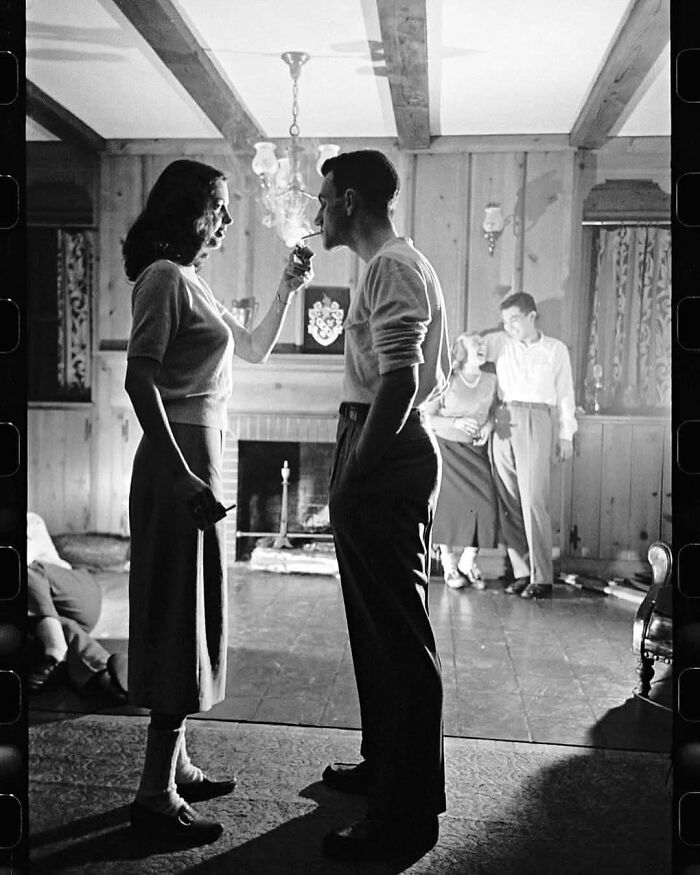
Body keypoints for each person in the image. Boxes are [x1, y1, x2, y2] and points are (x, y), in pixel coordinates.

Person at [122, 159, 313, 844]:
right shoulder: (164, 279)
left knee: (194, 609)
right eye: (219, 206)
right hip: (177, 458)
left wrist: (287, 286)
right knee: (179, 614)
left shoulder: (193, 281)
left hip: (198, 452)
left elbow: (254, 348)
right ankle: (154, 794)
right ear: (190, 211)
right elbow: (139, 380)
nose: (228, 218)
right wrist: (180, 477)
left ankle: (176, 763)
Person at [315, 150, 450, 863]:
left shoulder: (393, 265)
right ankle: (382, 764)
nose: (318, 211)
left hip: (384, 449)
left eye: (324, 198)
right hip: (376, 440)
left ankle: (406, 812)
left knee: (398, 637)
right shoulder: (389, 264)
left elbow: (400, 383)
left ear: (350, 200)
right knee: (375, 629)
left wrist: (354, 473)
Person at [490, 292, 577, 599]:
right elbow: (465, 348)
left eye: (514, 320)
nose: (509, 327)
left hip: (537, 418)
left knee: (534, 500)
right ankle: (522, 572)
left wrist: (566, 435)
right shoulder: (500, 344)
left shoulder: (555, 350)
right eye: (505, 322)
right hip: (503, 419)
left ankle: (542, 578)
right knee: (508, 499)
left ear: (532, 316)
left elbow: (565, 394)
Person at [26, 512, 127, 702]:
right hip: (46, 618)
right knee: (65, 628)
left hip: (77, 598)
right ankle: (108, 679)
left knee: (23, 572)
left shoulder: (30, 520)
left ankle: (56, 648)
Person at [424, 332, 499, 589]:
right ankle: (449, 566)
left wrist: (489, 425)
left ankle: (468, 561)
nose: (481, 345)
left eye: (482, 342)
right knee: (447, 507)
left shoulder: (491, 380)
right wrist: (455, 422)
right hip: (447, 450)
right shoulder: (446, 380)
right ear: (461, 351)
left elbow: (495, 412)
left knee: (485, 505)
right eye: (475, 342)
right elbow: (428, 417)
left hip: (476, 452)